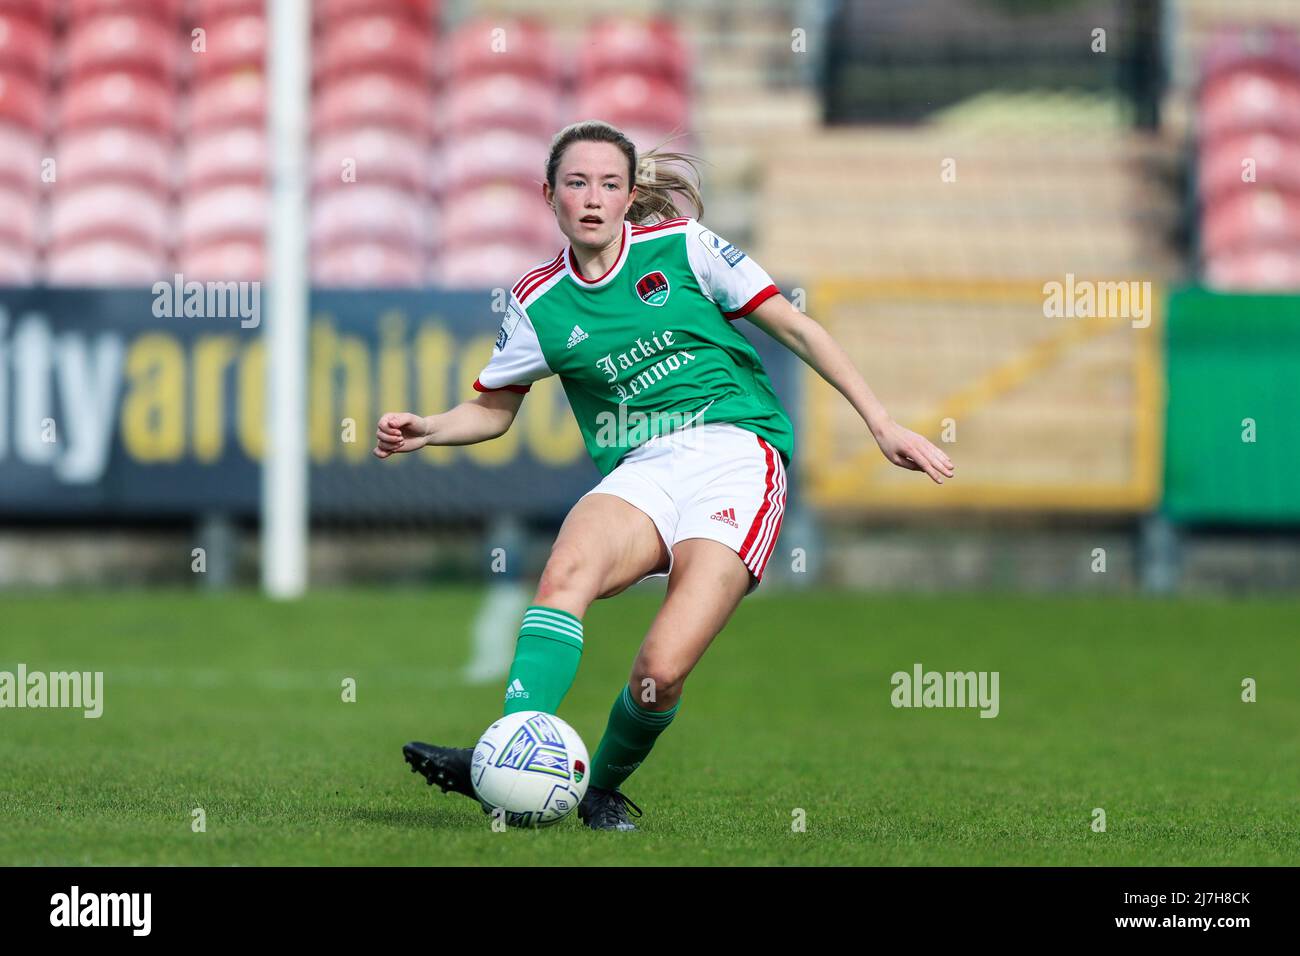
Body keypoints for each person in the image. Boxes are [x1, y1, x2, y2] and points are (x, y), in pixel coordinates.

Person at [374, 120, 955, 830]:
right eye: (577, 183)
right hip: (641, 467)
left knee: (659, 673)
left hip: (737, 456)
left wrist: (881, 422)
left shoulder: (683, 247)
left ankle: (601, 789)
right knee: (565, 573)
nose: (593, 198)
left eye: (609, 184)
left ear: (629, 195)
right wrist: (431, 428)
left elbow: (798, 329)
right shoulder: (537, 300)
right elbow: (492, 410)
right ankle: (507, 751)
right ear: (549, 194)